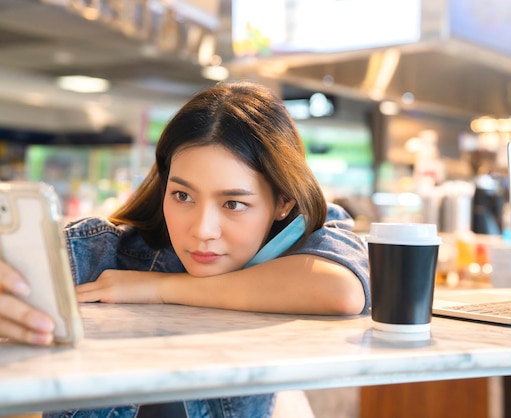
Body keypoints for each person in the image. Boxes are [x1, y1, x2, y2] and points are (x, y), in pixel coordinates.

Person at [0, 81, 370, 417]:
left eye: (233, 204)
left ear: (284, 202)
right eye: (182, 195)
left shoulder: (304, 238)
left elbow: (342, 291)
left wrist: (156, 288)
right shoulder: (100, 253)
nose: (202, 231)